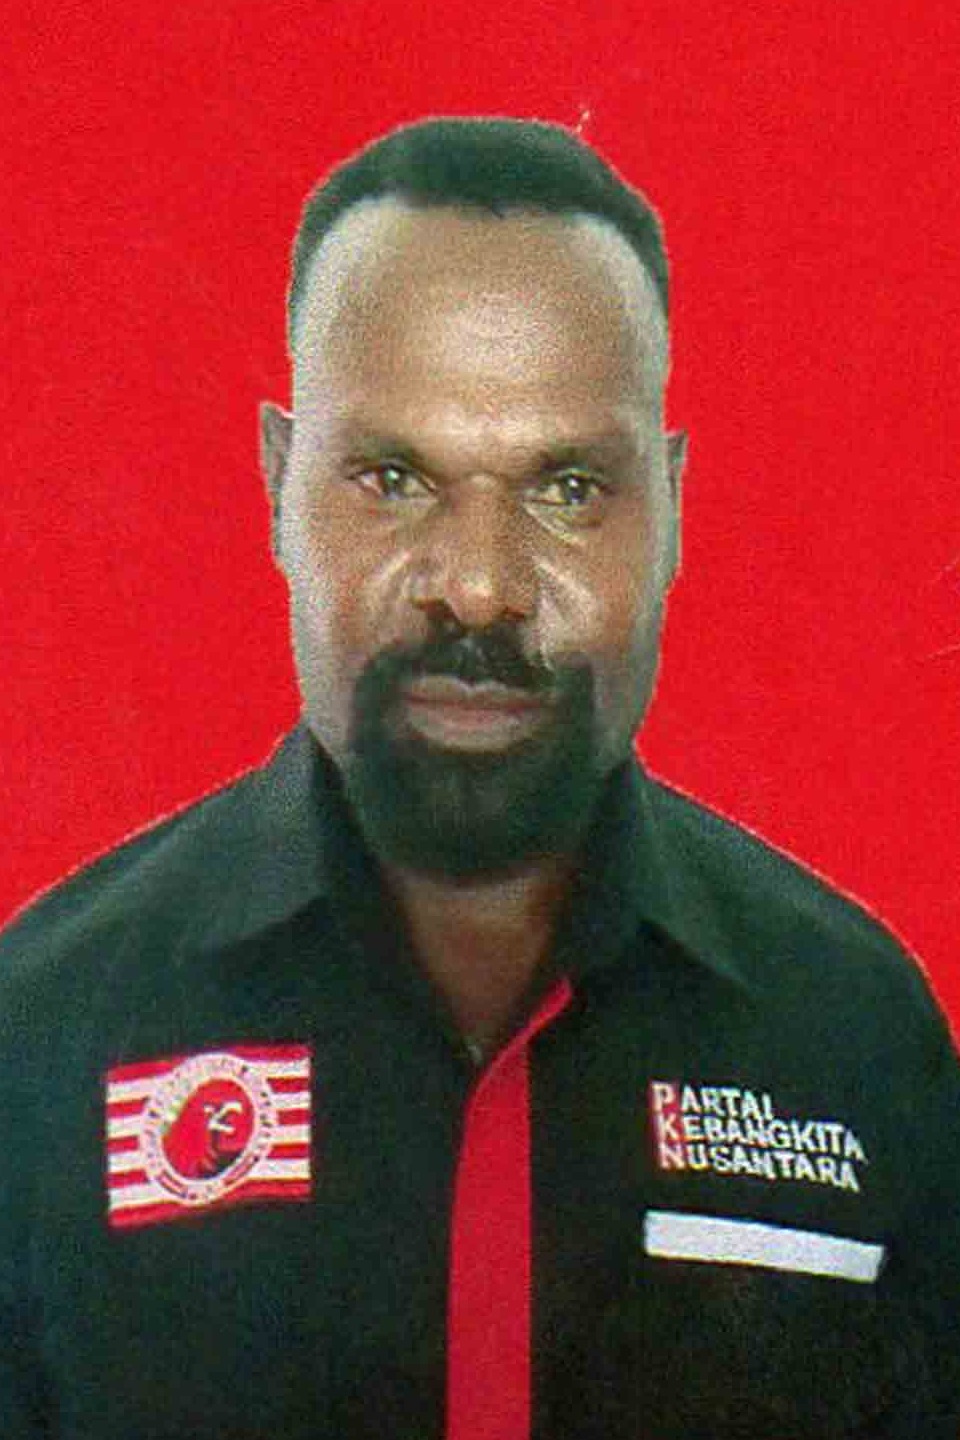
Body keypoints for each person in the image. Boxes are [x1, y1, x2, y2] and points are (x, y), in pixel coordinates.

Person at [0, 116, 957, 1440]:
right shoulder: (44, 1033)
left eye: (567, 488)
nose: (479, 584)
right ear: (278, 485)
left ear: (671, 510)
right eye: (394, 479)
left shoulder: (855, 1033)